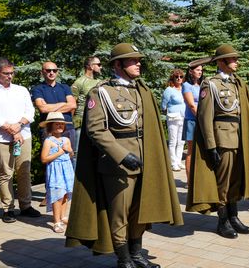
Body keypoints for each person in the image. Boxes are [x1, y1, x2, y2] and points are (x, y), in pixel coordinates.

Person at [65, 43, 183, 268]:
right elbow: (96, 130)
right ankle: (124, 258)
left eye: (138, 60)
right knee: (120, 213)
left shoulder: (142, 90)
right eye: (132, 60)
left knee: (140, 210)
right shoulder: (101, 92)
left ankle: (137, 254)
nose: (138, 63)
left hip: (144, 159)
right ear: (118, 65)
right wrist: (121, 155)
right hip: (117, 165)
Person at [186, 44, 249, 239]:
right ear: (221, 62)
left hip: (239, 136)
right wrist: (211, 146)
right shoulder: (210, 84)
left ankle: (234, 215)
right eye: (232, 59)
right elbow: (205, 118)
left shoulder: (237, 83)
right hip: (222, 138)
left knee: (235, 179)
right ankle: (222, 220)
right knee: (223, 182)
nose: (236, 62)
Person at [0, 57, 41, 223]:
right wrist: (11, 130)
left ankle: (25, 205)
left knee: (24, 171)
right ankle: (8, 208)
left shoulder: (21, 90)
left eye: (12, 73)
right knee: (6, 174)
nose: (10, 76)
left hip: (23, 137)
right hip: (2, 139)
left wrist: (19, 126)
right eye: (6, 73)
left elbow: (30, 112)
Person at [39, 112, 74, 233]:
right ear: (50, 126)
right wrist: (58, 153)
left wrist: (70, 151)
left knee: (65, 194)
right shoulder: (48, 141)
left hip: (67, 169)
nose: (60, 126)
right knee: (57, 196)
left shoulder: (66, 139)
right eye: (56, 124)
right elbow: (44, 159)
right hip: (56, 171)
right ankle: (56, 221)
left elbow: (71, 155)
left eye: (62, 124)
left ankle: (63, 216)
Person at [31, 61, 77, 143]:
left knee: (70, 155)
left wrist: (51, 109)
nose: (52, 73)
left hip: (68, 127)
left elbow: (73, 105)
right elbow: (43, 109)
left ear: (57, 72)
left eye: (54, 70)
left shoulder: (65, 87)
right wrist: (63, 104)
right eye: (48, 70)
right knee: (49, 155)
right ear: (42, 72)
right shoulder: (38, 89)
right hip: (49, 129)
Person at [71, 56, 102, 163]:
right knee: (77, 153)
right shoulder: (79, 82)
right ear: (90, 66)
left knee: (95, 152)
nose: (100, 67)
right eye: (98, 64)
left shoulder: (99, 82)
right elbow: (72, 104)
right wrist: (70, 125)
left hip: (95, 122)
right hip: (80, 122)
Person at [182, 61, 204, 187]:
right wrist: (202, 119)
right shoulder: (186, 85)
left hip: (201, 120)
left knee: (201, 150)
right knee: (191, 151)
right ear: (191, 71)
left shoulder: (201, 85)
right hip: (192, 120)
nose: (200, 72)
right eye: (197, 70)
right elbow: (191, 105)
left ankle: (199, 177)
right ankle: (190, 181)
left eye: (201, 70)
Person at [161, 69, 186, 171]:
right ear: (173, 78)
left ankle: (179, 161)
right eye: (177, 77)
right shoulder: (169, 90)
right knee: (173, 141)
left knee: (181, 141)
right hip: (173, 118)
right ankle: (173, 162)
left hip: (184, 117)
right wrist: (167, 110)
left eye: (181, 77)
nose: (179, 79)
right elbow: (163, 104)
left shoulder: (185, 88)